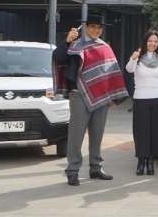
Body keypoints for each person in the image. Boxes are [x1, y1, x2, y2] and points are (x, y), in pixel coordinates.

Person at [53, 14, 128, 186]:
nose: (95, 30)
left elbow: (110, 72)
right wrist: (67, 41)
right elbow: (58, 58)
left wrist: (112, 96)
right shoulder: (75, 44)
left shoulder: (105, 47)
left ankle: (96, 168)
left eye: (99, 27)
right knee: (76, 135)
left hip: (101, 98)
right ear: (86, 27)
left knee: (97, 134)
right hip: (79, 95)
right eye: (92, 26)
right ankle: (72, 171)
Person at [125, 30, 158, 176]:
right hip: (141, 99)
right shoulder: (138, 57)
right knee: (141, 132)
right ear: (145, 42)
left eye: (155, 41)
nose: (153, 44)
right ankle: (141, 161)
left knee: (155, 132)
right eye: (150, 41)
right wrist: (133, 58)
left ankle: (150, 161)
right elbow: (129, 69)